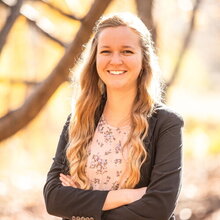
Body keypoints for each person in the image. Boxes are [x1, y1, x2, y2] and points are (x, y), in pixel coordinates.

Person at [43, 12, 184, 220]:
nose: (115, 60)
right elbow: (54, 199)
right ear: (95, 59)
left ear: (144, 59)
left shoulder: (167, 124)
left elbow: (159, 206)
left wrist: (83, 207)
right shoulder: (79, 120)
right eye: (106, 51)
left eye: (127, 51)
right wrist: (126, 196)